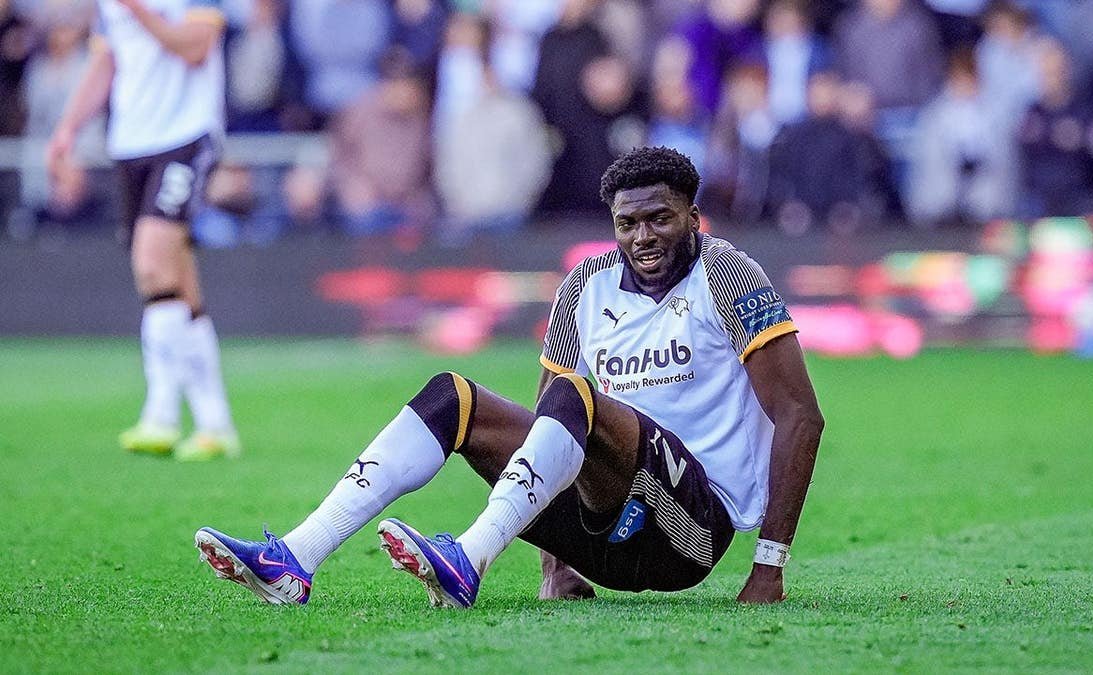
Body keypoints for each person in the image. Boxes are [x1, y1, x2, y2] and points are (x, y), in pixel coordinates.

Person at [194, 147, 825, 606]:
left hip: (688, 532)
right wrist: (560, 563)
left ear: (693, 215)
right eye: (627, 223)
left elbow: (801, 415)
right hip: (600, 525)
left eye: (660, 218)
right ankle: (295, 559)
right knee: (454, 397)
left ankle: (467, 559)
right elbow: (553, 436)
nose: (643, 237)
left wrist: (768, 568)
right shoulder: (584, 288)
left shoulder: (728, 276)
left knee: (576, 395)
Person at [46, 0, 239, 460]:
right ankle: (216, 425)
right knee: (179, 276)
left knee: (152, 267)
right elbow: (106, 60)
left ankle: (162, 415)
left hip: (186, 136)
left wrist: (139, 10)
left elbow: (195, 48)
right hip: (131, 142)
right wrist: (68, 128)